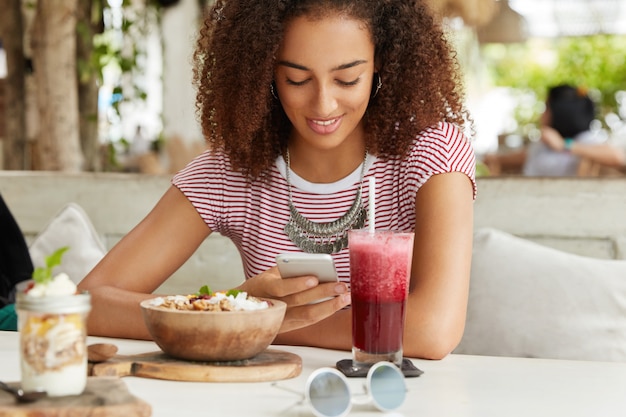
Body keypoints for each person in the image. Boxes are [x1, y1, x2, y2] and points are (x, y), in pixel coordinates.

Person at [78, 0, 476, 360]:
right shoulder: (231, 171)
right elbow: (88, 301)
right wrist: (232, 308)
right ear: (265, 70)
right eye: (297, 80)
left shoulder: (430, 154)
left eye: (347, 79)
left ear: (381, 64)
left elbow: (433, 330)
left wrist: (260, 322)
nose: (323, 104)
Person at [483, 84, 602, 176]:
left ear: (561, 113)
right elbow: (523, 157)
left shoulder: (585, 140)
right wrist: (495, 159)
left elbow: (617, 156)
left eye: (546, 109)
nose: (542, 115)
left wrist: (563, 145)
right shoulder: (544, 144)